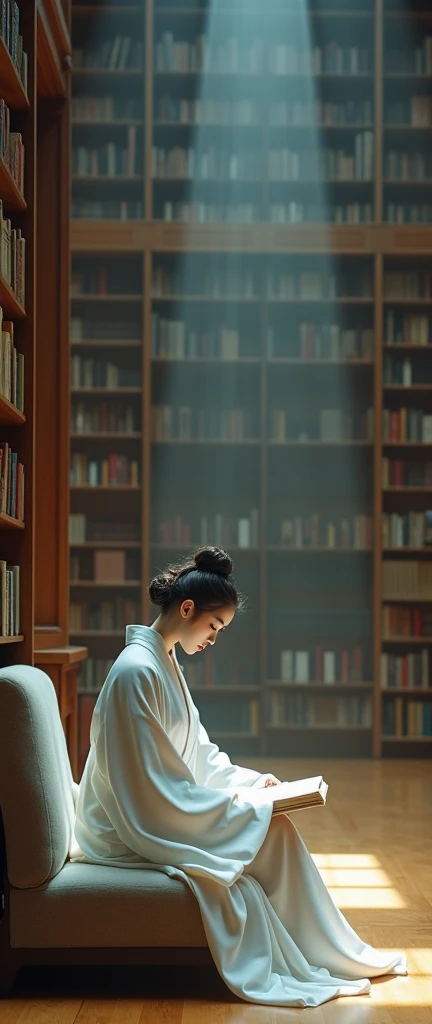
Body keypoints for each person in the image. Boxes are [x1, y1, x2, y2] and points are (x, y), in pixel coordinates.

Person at [70, 545, 407, 1008]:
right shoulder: (136, 672)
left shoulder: (163, 663)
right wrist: (246, 807)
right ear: (186, 609)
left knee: (275, 828)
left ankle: (334, 952)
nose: (213, 639)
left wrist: (251, 785)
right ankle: (328, 954)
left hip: (156, 804)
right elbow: (149, 790)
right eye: (213, 626)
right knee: (269, 829)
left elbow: (199, 755)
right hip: (122, 827)